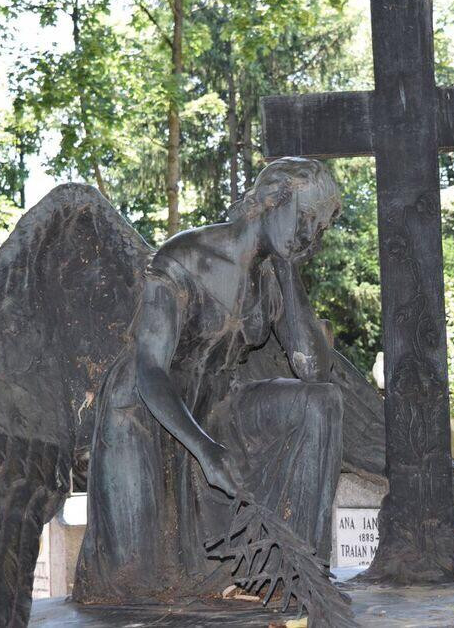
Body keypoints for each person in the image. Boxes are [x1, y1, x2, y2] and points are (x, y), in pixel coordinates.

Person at [73, 157, 344, 603]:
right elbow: (150, 368)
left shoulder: (273, 278)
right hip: (146, 415)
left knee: (321, 402)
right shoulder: (186, 257)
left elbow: (314, 370)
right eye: (305, 219)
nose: (308, 237)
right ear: (271, 202)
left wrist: (289, 272)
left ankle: (297, 578)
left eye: (318, 229)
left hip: (218, 404)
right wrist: (204, 449)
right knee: (134, 585)